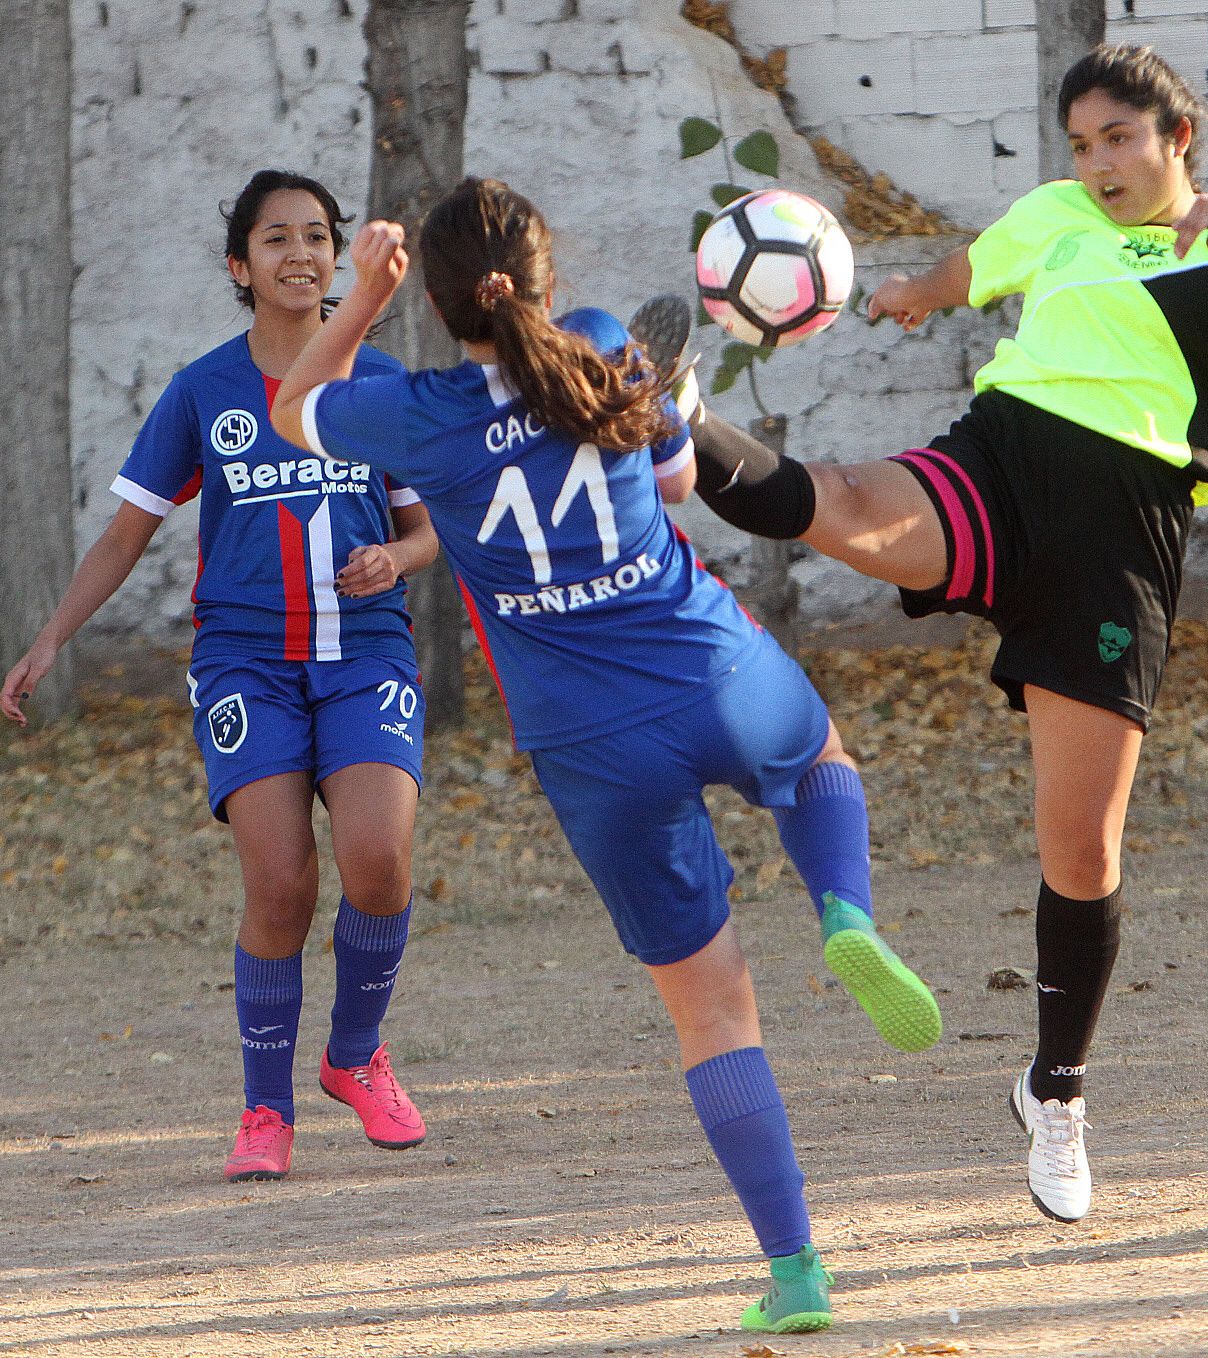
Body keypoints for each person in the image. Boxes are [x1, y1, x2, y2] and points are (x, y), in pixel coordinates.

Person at [679, 44, 1208, 1225]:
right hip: (1003, 459)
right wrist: (914, 291)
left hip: (1121, 530)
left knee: (1081, 853)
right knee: (839, 504)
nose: (1097, 164)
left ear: (1174, 137)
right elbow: (973, 265)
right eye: (1081, 144)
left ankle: (1055, 1087)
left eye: (1118, 139)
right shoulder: (1053, 216)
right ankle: (671, 415)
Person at [268, 176, 942, 1334]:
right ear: (543, 275)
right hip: (709, 668)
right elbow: (676, 481)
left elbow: (294, 406)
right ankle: (844, 908)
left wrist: (361, 298)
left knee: (714, 1013)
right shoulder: (597, 344)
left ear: (435, 301)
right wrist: (662, 394)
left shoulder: (416, 411)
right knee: (818, 757)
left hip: (590, 743)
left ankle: (795, 1272)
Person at [1, 170, 440, 1183]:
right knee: (280, 883)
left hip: (364, 651)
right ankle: (263, 1109)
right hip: (247, 663)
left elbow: (427, 532)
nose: (301, 254)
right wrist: (52, 638)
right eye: (276, 238)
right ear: (241, 266)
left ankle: (354, 1054)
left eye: (318, 235)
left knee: (378, 858)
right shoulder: (204, 391)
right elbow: (126, 533)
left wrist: (394, 557)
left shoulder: (377, 385)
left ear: (337, 255)